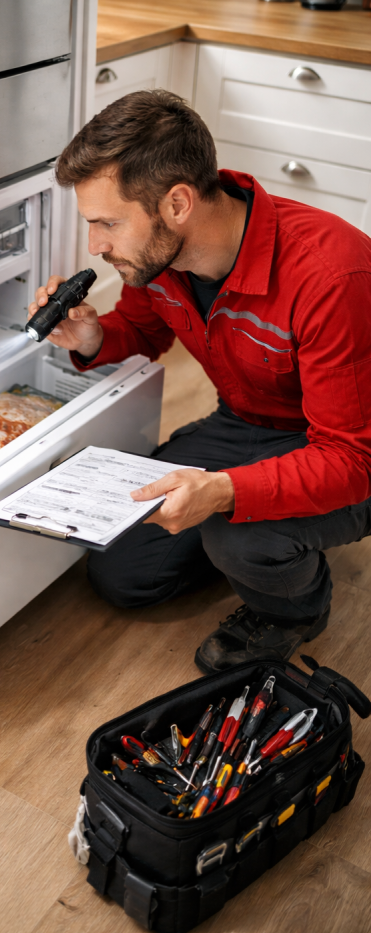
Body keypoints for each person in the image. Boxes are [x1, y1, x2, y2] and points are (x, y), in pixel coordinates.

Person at [29, 89, 371, 674]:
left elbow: (350, 458)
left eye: (108, 223)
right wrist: (91, 338)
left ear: (178, 203)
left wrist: (227, 493)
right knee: (121, 572)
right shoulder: (160, 260)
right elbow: (142, 330)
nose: (96, 246)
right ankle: (267, 541)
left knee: (240, 538)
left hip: (350, 450)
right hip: (246, 423)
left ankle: (296, 607)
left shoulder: (332, 275)